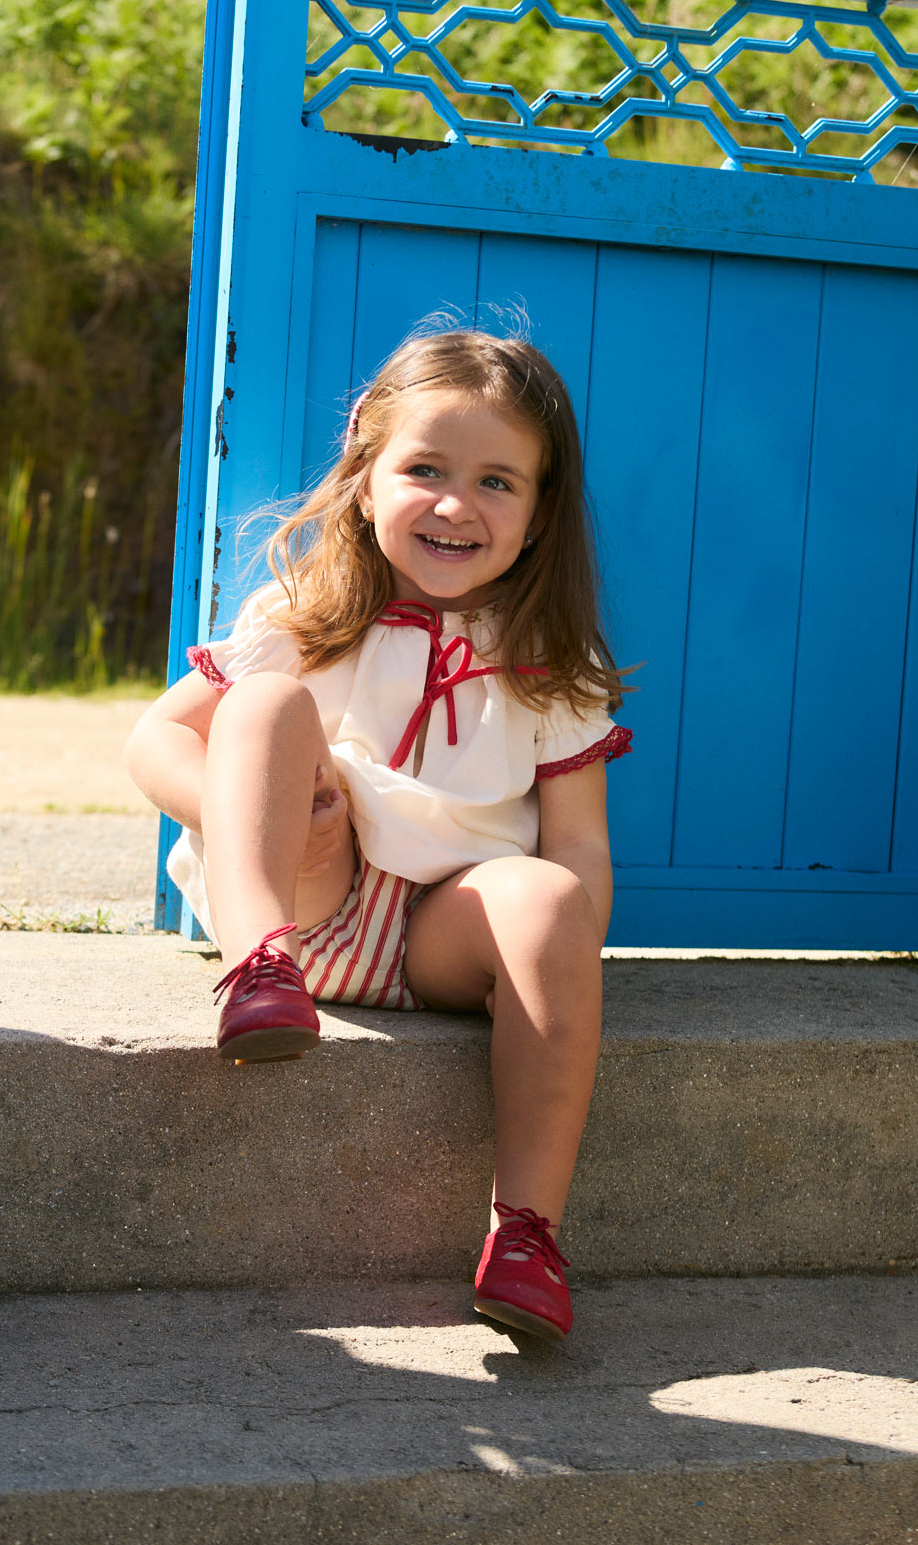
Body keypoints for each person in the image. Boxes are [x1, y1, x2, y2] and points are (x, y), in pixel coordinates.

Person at [125, 328, 633, 1341]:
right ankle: (254, 966)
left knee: (544, 894)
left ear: (538, 514)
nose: (457, 503)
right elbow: (154, 741)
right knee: (262, 709)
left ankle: (526, 1231)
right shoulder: (309, 612)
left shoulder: (549, 659)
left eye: (498, 481)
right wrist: (248, 816)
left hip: (441, 935)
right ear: (365, 481)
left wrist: (560, 954)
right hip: (306, 903)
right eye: (425, 470)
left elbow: (577, 847)